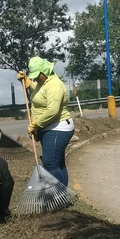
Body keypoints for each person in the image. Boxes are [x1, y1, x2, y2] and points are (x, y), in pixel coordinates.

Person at [18, 56, 74, 187]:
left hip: (57, 128)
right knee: (58, 163)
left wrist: (35, 124)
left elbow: (52, 111)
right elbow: (40, 94)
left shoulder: (55, 85)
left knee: (50, 163)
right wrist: (27, 81)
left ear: (44, 71)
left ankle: (58, 195)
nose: (35, 79)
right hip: (49, 128)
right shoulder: (44, 83)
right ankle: (63, 195)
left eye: (37, 76)